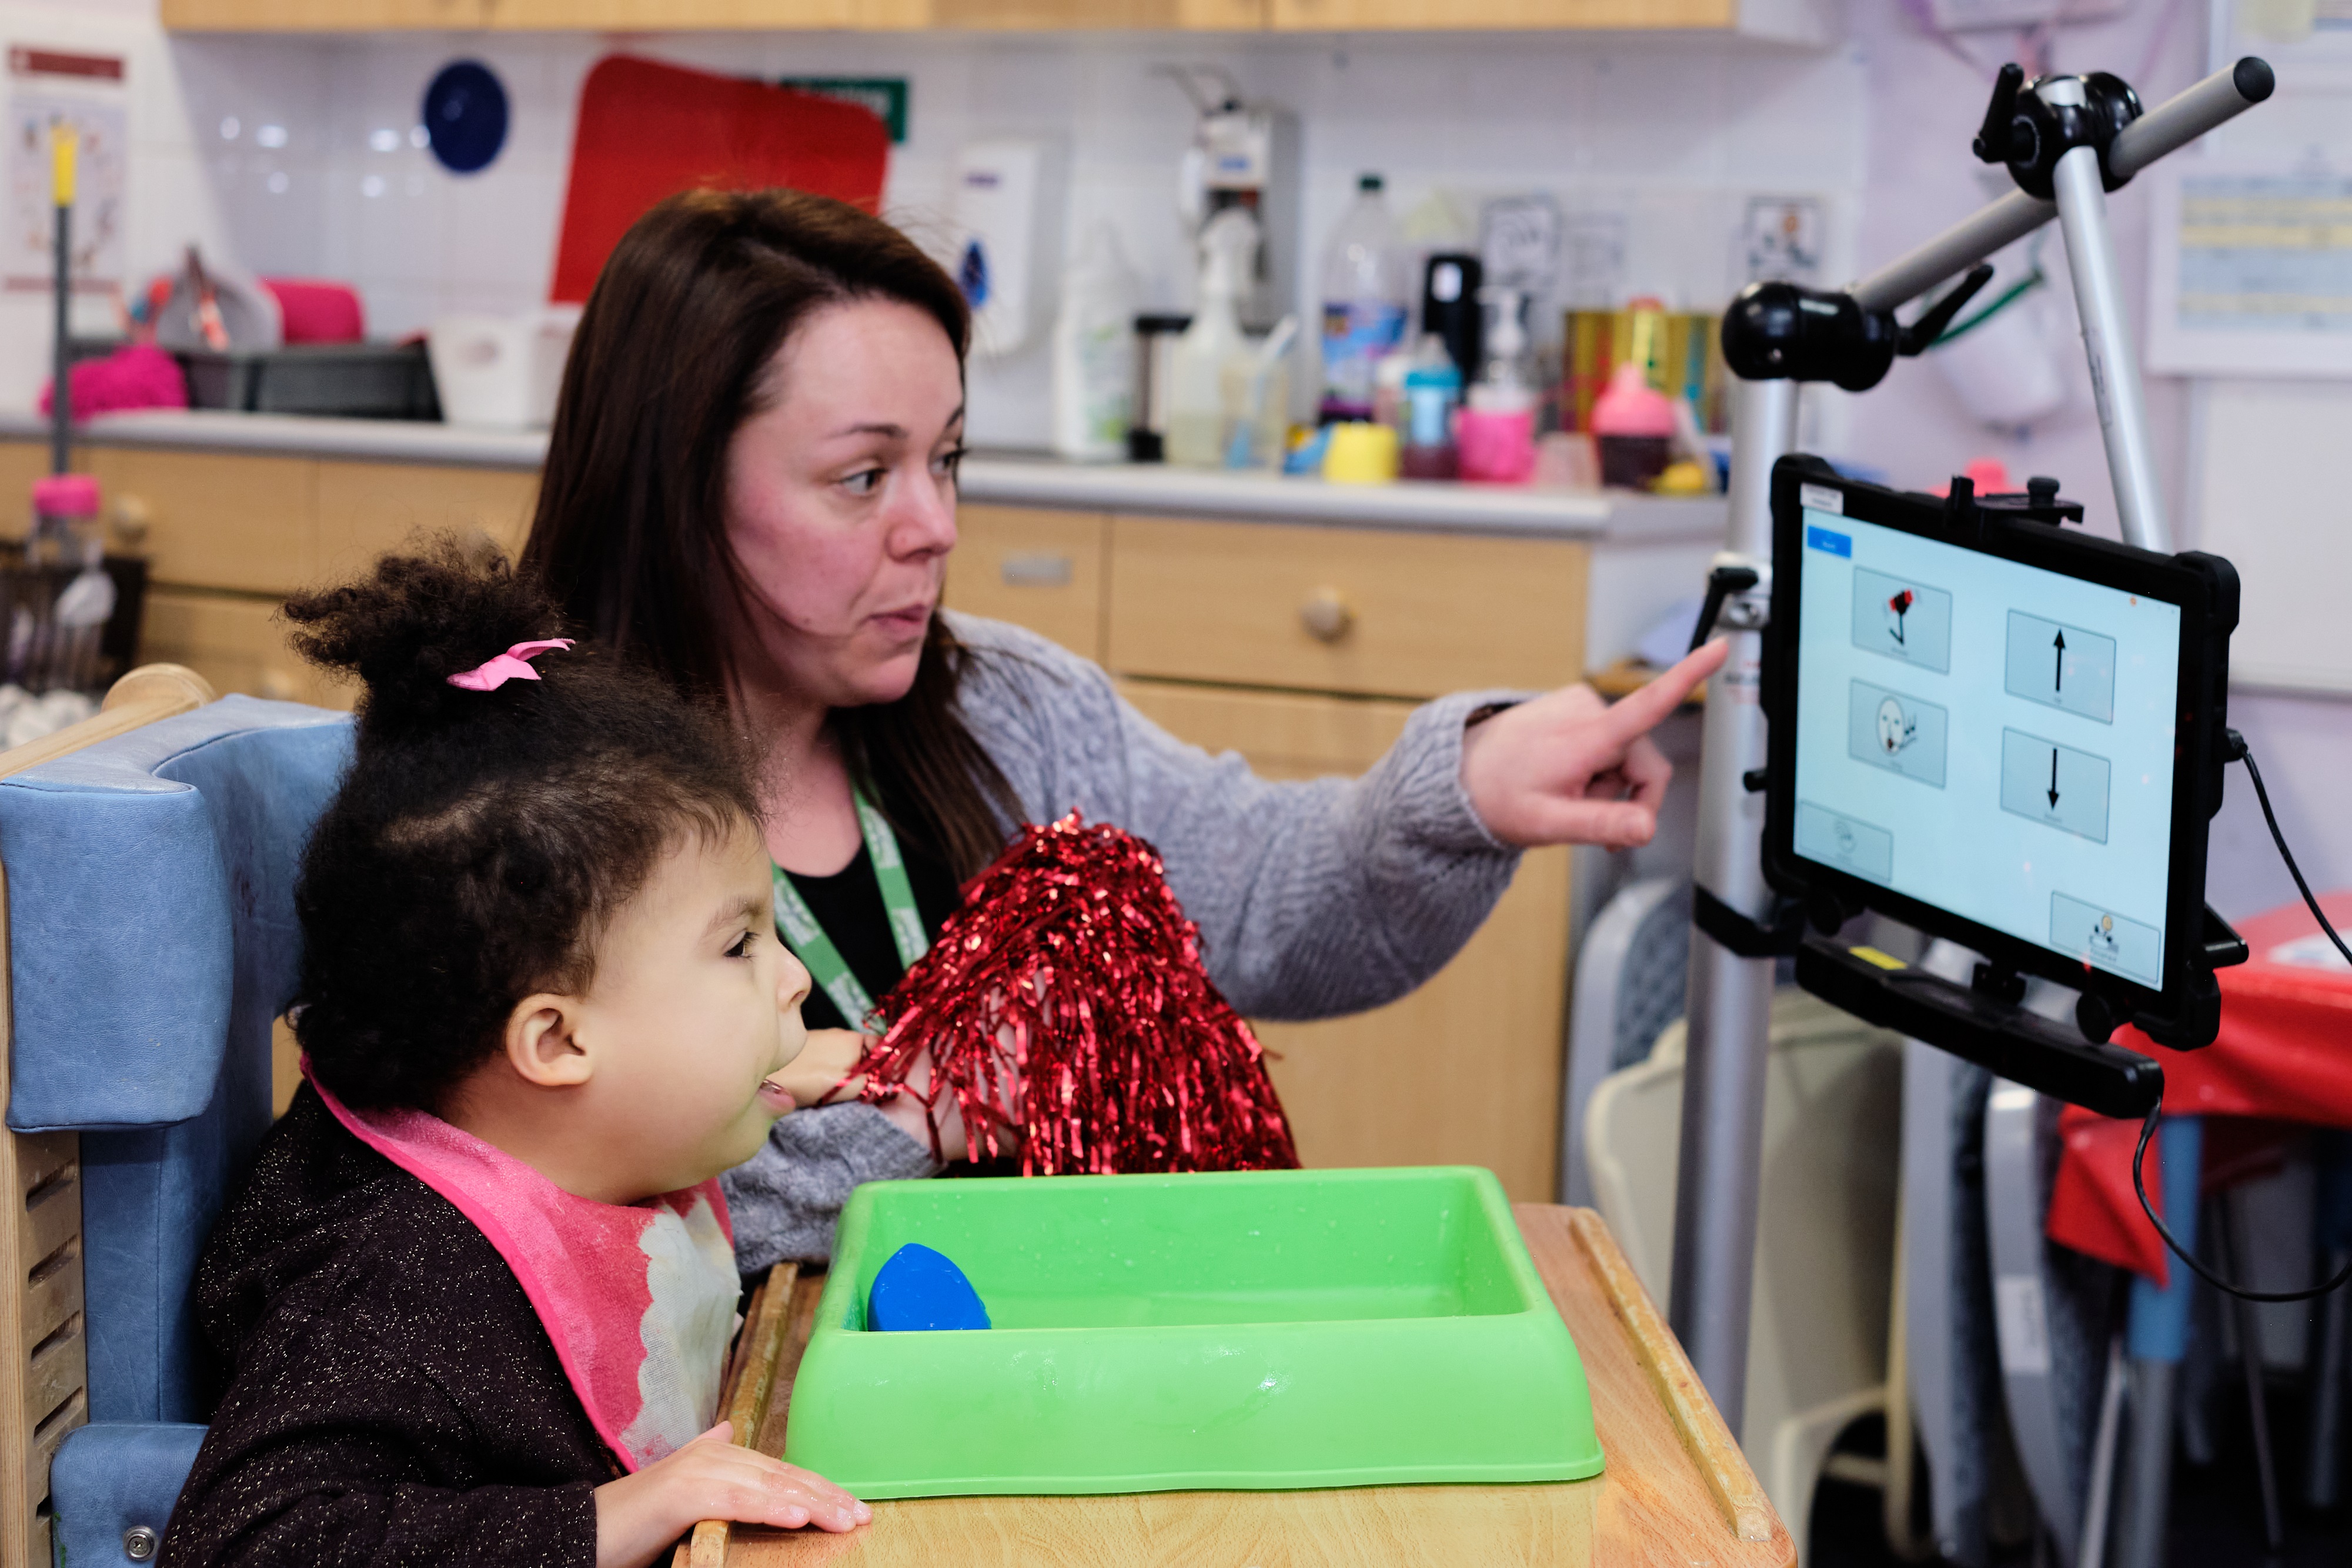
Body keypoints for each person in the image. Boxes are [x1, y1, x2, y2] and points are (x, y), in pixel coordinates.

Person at [521, 189, 1728, 1271]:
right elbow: (583, 1238)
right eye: (861, 476)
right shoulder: (524, 813)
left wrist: (1464, 786)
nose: (934, 524)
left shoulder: (1008, 707)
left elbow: (1264, 896)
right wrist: (918, 1109)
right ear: (675, 487)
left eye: (946, 459)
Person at [161, 543, 868, 1568]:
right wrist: (613, 1516)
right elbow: (246, 1547)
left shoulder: (545, 1135)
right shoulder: (406, 1279)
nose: (793, 978)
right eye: (740, 943)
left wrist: (769, 1081)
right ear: (556, 1040)